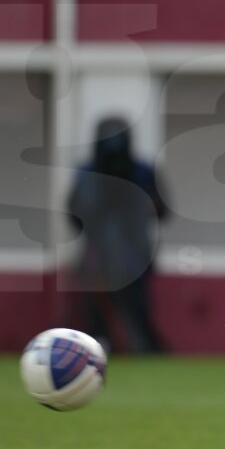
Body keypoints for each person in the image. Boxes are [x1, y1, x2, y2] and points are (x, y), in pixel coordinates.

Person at [67, 116, 169, 354]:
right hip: (98, 256)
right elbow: (73, 215)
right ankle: (97, 349)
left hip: (134, 256)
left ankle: (144, 350)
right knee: (95, 316)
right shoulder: (88, 173)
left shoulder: (142, 172)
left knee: (137, 312)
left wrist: (136, 202)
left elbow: (162, 210)